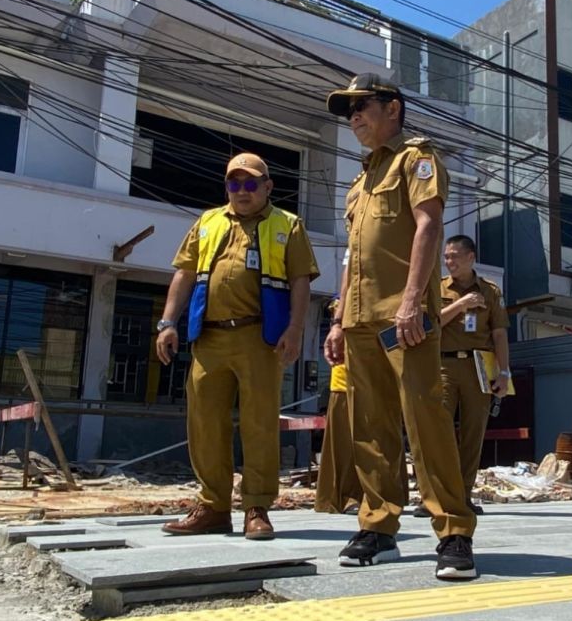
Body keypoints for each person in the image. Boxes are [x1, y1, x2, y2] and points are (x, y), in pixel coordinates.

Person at [323, 72, 477, 581]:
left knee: (424, 418)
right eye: (348, 111)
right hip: (361, 319)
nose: (353, 117)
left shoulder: (417, 159)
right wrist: (339, 317)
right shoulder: (360, 181)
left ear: (393, 107)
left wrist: (413, 300)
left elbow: (429, 225)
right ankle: (379, 526)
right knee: (369, 424)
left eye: (361, 105)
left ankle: (453, 530)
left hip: (403, 317)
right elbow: (351, 255)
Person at [155, 152, 318, 540]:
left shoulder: (287, 225)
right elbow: (186, 272)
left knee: (258, 423)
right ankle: (213, 506)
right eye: (234, 183)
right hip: (209, 338)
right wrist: (166, 322)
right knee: (204, 423)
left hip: (259, 338)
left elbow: (300, 281)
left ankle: (257, 507)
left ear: (267, 187)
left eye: (250, 183)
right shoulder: (208, 221)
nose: (241, 191)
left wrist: (295, 329)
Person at [420, 234, 510, 516]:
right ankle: (433, 498)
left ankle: (462, 495)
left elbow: (499, 333)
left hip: (478, 368)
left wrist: (504, 372)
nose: (449, 262)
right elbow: (429, 324)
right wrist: (460, 305)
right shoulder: (437, 287)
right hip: (443, 365)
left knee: (473, 433)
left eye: (454, 256)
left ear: (471, 257)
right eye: (446, 257)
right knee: (438, 432)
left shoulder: (491, 291)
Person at [314, 297, 362, 515]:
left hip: (376, 378)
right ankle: (343, 496)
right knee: (343, 443)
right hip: (344, 381)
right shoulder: (342, 303)